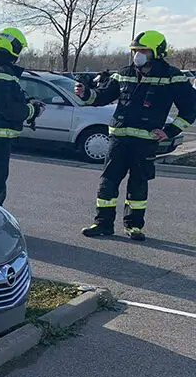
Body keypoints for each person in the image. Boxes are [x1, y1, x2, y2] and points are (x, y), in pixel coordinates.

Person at [75, 30, 196, 241]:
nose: (138, 55)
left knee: (138, 184)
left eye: (143, 50)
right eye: (135, 50)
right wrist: (85, 93)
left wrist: (169, 132)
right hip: (118, 140)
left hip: (146, 142)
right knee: (108, 182)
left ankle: (134, 226)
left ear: (157, 52)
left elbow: (190, 109)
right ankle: (103, 224)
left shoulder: (172, 76)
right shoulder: (124, 73)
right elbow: (102, 97)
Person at [0, 27, 45, 206]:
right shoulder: (3, 71)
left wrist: (28, 101)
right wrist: (32, 110)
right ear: (14, 48)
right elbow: (7, 108)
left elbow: (9, 96)